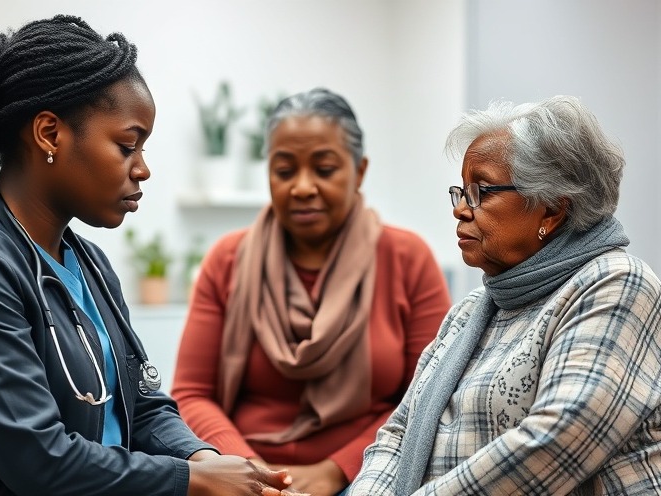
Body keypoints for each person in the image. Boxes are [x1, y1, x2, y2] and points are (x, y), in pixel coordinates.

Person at [0, 15, 302, 496]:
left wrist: (210, 462)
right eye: (127, 146)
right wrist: (194, 480)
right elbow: (37, 461)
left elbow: (142, 406)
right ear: (48, 134)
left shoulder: (90, 267)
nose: (143, 169)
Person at [348, 95, 661, 495]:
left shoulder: (618, 285)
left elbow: (555, 442)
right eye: (460, 192)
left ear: (550, 209)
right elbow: (398, 433)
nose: (461, 209)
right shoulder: (469, 313)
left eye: (481, 191)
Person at [171, 87, 453, 496]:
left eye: (324, 169)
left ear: (360, 171)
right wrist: (250, 471)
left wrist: (336, 470)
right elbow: (192, 393)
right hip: (238, 475)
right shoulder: (227, 260)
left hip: (369, 474)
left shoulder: (408, 258)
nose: (302, 187)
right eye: (285, 171)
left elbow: (427, 397)